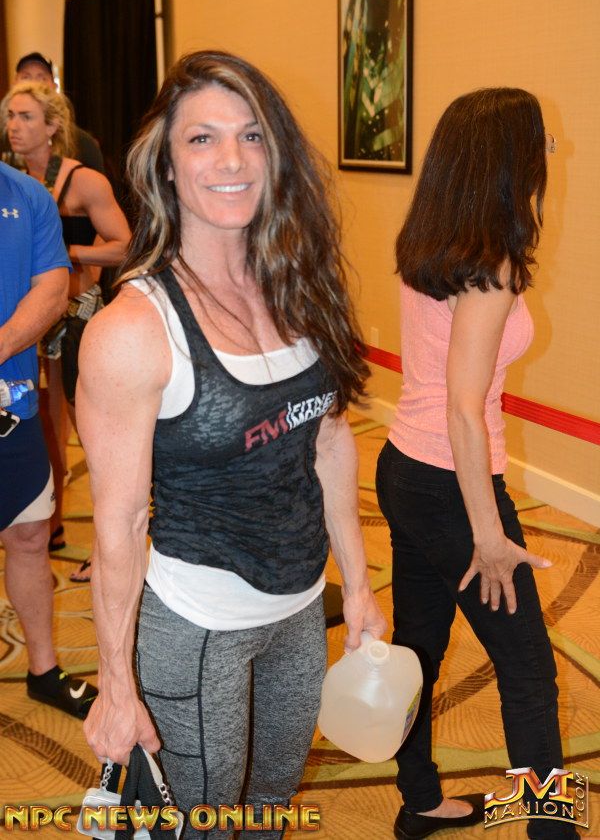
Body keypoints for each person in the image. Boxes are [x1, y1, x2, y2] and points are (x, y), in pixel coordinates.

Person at [78, 50, 386, 838]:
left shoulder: (301, 286)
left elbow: (328, 442)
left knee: (271, 810)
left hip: (301, 608)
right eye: (202, 139)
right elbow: (118, 525)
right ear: (166, 164)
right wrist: (116, 685)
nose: (232, 160)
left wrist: (357, 585)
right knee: (205, 826)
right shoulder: (132, 330)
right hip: (197, 623)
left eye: (251, 136)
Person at [376, 88, 574, 840]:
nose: (550, 152)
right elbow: (463, 409)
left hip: (404, 467)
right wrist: (489, 535)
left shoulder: (430, 244)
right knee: (528, 670)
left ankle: (419, 801)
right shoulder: (490, 266)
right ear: (508, 160)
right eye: (540, 140)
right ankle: (552, 831)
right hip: (452, 485)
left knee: (418, 650)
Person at [0, 80, 130, 576]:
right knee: (44, 431)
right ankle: (47, 523)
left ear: (52, 126)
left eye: (26, 116)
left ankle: (107, 545)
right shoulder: (11, 180)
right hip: (28, 327)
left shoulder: (84, 180)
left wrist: (62, 254)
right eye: (10, 116)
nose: (14, 126)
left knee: (92, 438)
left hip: (76, 319)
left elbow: (126, 245)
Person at [0, 159, 98, 718]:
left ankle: (43, 669)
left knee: (31, 534)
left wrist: (1, 344)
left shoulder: (27, 195)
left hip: (12, 404)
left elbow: (53, 287)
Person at [0, 52, 105, 173]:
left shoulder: (82, 144)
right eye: (26, 77)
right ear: (14, 84)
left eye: (42, 78)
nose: (33, 84)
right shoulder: (4, 137)